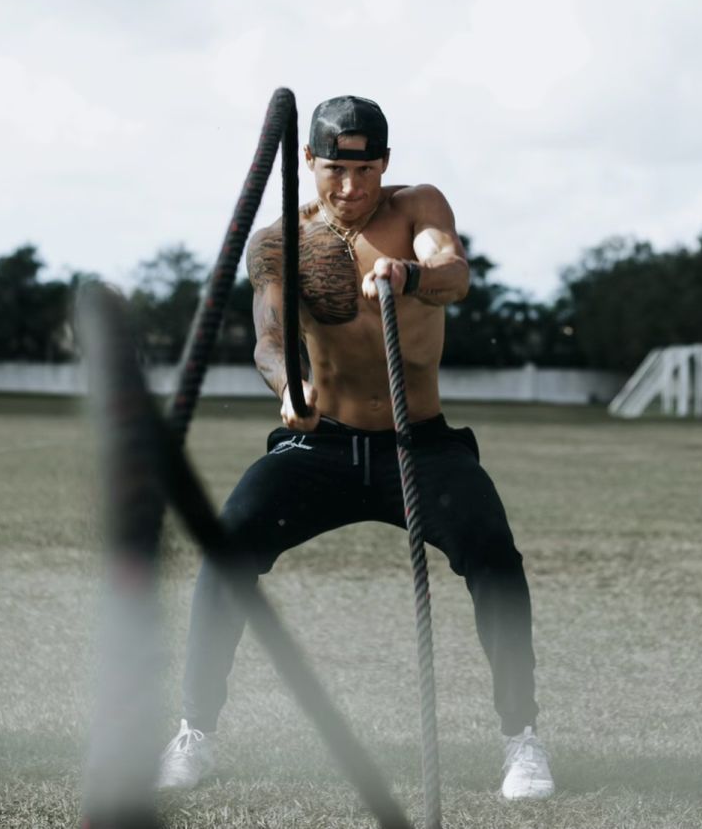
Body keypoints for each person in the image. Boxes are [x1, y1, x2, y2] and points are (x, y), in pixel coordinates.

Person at [158, 95, 554, 801]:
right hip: (320, 446)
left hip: (420, 445)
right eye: (335, 171)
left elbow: (453, 272)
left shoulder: (416, 207)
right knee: (228, 547)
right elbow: (269, 340)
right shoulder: (281, 239)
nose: (350, 187)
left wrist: (410, 276)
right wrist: (289, 387)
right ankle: (195, 733)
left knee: (494, 555)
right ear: (309, 161)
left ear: (385, 163)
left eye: (366, 170)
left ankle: (521, 739)